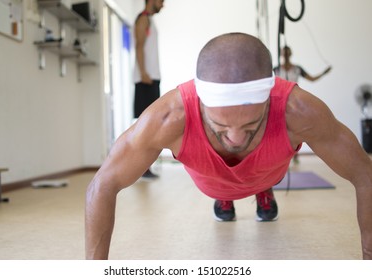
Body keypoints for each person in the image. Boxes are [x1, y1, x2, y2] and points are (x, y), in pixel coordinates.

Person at [85, 32, 372, 260]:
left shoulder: (298, 110)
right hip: (210, 181)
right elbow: (103, 185)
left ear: (270, 99)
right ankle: (227, 195)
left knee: (261, 168)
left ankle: (262, 190)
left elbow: (364, 175)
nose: (235, 138)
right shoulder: (169, 116)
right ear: (200, 102)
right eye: (220, 127)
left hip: (268, 172)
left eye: (251, 125)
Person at [274, 45, 332, 164]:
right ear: (281, 54)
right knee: (280, 128)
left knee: (296, 126)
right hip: (279, 101)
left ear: (290, 54)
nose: (285, 54)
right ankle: (281, 155)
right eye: (284, 52)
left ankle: (294, 154)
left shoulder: (297, 69)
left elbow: (312, 79)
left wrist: (323, 73)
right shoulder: (276, 69)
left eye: (287, 52)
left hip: (294, 99)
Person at [133, 0, 164, 179]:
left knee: (151, 124)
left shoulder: (150, 20)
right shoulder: (143, 19)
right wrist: (143, 72)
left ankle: (145, 167)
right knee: (146, 125)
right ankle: (141, 168)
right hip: (146, 79)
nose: (163, 5)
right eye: (161, 1)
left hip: (151, 78)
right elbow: (139, 46)